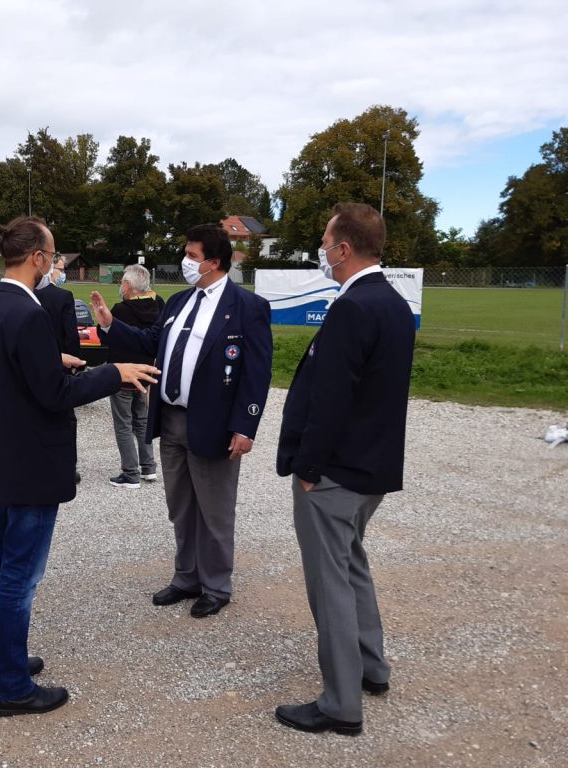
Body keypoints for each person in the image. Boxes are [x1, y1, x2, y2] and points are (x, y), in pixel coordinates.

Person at [0, 216, 159, 717]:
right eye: (53, 255)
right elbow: (53, 397)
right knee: (18, 574)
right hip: (32, 461)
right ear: (36, 258)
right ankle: (11, 687)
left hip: (2, 458)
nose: (56, 263)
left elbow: (15, 375)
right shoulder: (29, 314)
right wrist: (111, 372)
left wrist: (56, 362)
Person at [273, 203, 416, 736]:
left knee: (329, 580)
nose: (322, 252)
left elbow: (332, 398)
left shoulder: (355, 306)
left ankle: (340, 703)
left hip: (335, 472)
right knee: (353, 564)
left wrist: (308, 467)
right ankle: (371, 669)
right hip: (370, 468)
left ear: (344, 248)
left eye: (325, 242)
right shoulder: (393, 303)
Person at [91, 224, 272, 618]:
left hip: (214, 424)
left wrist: (246, 426)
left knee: (215, 510)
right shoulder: (177, 302)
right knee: (181, 506)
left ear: (214, 262)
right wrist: (110, 323)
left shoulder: (246, 307)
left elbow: (257, 373)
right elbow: (151, 342)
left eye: (192, 256)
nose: (185, 262)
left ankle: (216, 585)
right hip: (171, 419)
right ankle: (186, 577)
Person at [105, 264, 164, 489]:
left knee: (123, 424)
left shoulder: (121, 310)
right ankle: (148, 466)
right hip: (147, 371)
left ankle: (130, 473)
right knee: (142, 420)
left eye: (122, 283)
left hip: (123, 374)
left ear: (128, 285)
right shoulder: (158, 305)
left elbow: (108, 336)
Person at [35, 255, 83, 483]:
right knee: (65, 419)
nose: (62, 273)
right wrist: (76, 363)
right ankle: (67, 466)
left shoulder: (28, 295)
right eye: (61, 269)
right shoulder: (63, 297)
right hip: (60, 366)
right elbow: (71, 335)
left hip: (33, 366)